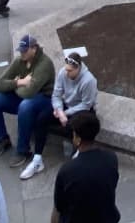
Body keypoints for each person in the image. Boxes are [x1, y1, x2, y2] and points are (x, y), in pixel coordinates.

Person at [50, 112, 121, 223]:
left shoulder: (67, 170)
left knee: (56, 208)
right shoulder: (111, 158)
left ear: (77, 138)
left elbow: (58, 208)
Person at [0, 33, 56, 171]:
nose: (21, 53)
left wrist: (14, 86)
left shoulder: (45, 64)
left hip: (43, 99)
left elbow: (30, 92)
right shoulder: (19, 61)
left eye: (25, 50)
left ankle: (23, 150)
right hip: (24, 94)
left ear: (34, 49)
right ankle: (2, 139)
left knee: (25, 106)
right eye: (20, 50)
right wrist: (20, 82)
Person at [25, 51, 100, 180]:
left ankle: (77, 157)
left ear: (78, 69)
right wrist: (59, 110)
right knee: (42, 119)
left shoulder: (89, 81)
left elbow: (86, 105)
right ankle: (37, 159)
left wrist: (65, 113)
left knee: (75, 126)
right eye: (66, 69)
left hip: (82, 109)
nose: (67, 73)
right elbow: (56, 94)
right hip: (65, 106)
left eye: (70, 71)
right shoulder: (63, 73)